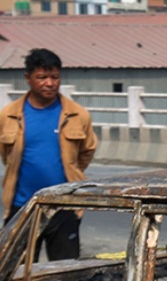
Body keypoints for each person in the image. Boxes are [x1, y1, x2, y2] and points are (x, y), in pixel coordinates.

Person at [0, 47, 97, 260]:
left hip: (64, 207)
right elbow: (7, 156)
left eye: (54, 77)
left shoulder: (77, 115)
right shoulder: (9, 115)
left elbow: (87, 151)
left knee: (64, 276)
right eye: (42, 77)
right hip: (22, 208)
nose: (50, 83)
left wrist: (70, 169)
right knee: (16, 275)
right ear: (28, 78)